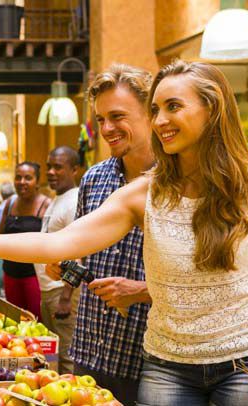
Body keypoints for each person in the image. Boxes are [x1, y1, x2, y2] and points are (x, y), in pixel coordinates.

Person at [0, 60, 248, 406]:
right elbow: (58, 242)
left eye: (174, 107)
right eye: (156, 109)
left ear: (212, 110)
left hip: (244, 363)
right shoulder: (146, 192)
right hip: (168, 368)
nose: (161, 120)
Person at [44, 64, 156, 404]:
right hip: (91, 350)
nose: (107, 128)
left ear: (150, 113)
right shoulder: (94, 178)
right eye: (100, 119)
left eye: (118, 116)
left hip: (148, 359)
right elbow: (82, 250)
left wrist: (139, 291)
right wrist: (65, 268)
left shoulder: (179, 182)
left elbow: (203, 282)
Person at [35, 146, 81, 374]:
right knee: (53, 350)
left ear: (74, 170)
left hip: (62, 292)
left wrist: (66, 296)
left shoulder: (74, 202)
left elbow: (79, 252)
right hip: (49, 291)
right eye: (49, 166)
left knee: (66, 354)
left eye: (58, 167)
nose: (51, 172)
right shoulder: (57, 199)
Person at [0, 161, 50, 318]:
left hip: (34, 276)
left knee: (35, 320)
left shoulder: (46, 205)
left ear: (37, 181)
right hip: (10, 273)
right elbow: (1, 235)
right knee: (14, 320)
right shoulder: (10, 203)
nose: (22, 182)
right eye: (18, 177)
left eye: (28, 178)